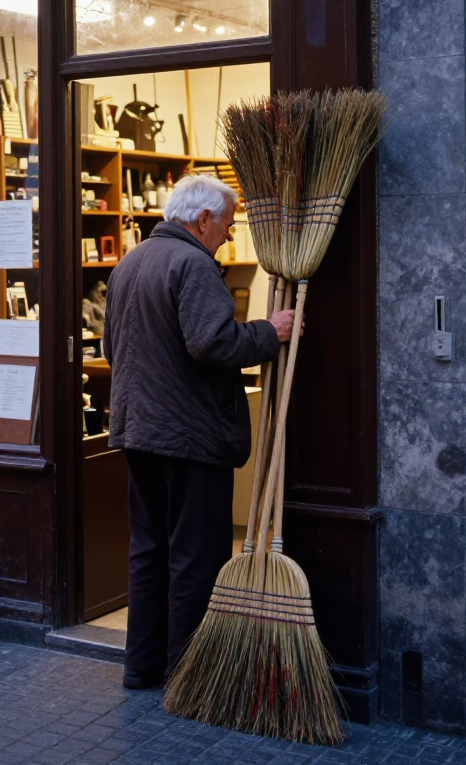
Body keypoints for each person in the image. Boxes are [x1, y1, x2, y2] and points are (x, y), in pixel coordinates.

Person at [102, 174, 296, 689]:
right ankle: (188, 674)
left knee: (148, 552)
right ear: (203, 219)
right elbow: (213, 343)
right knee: (194, 558)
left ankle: (142, 666)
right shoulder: (193, 264)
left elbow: (109, 349)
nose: (230, 235)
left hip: (137, 432)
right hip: (189, 437)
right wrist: (268, 332)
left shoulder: (129, 263)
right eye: (228, 225)